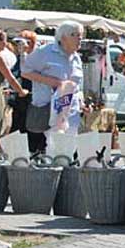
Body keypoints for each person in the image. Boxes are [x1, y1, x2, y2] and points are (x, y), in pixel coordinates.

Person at [22, 21, 85, 152]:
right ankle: (54, 171)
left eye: (81, 35)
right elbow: (25, 71)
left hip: (71, 112)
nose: (79, 38)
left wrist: (82, 103)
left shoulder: (76, 58)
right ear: (63, 38)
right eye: (75, 35)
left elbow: (77, 86)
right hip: (49, 110)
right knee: (55, 148)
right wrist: (51, 81)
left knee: (69, 149)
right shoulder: (44, 52)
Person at [10, 31, 36, 138]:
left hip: (29, 97)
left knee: (27, 127)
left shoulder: (35, 58)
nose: (20, 45)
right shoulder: (16, 58)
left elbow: (28, 74)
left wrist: (24, 54)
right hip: (17, 97)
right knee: (15, 127)